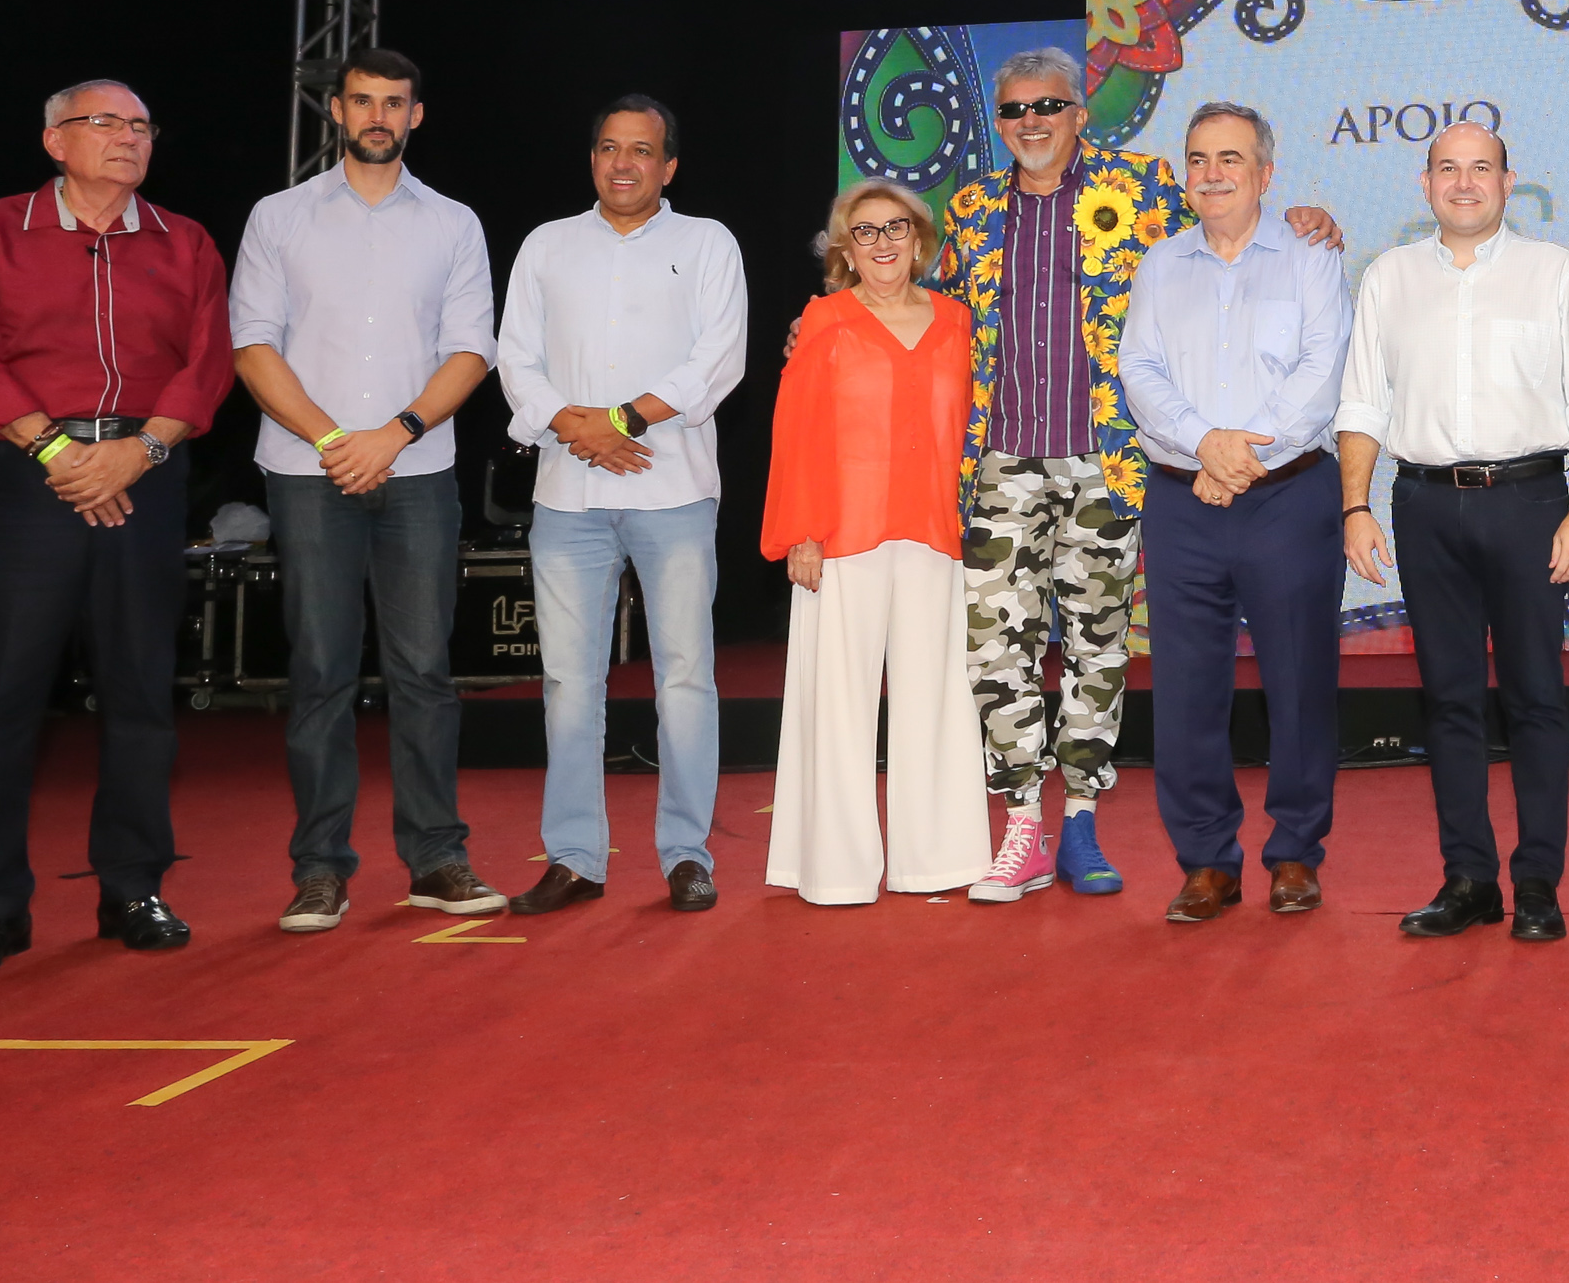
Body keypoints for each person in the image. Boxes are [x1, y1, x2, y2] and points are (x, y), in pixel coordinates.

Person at [936, 49, 1340, 905]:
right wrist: (824, 323)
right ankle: (1061, 835)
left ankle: (1096, 826)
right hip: (1019, 468)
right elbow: (934, 312)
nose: (1031, 121)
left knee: (1109, 655)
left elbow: (1308, 354)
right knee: (1019, 662)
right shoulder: (969, 209)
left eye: (1049, 104)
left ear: (1082, 113)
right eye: (1013, 110)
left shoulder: (1149, 190)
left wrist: (1233, 454)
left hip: (1119, 472)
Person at [0, 82, 233, 979]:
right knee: (0, 701)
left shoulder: (187, 241)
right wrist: (62, 454)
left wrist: (137, 452)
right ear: (55, 140)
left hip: (143, 477)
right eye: (108, 124)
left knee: (140, 694)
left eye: (141, 127)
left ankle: (133, 888)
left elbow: (207, 360)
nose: (130, 139)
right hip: (26, 484)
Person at [230, 49, 504, 934]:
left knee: (425, 672)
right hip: (308, 474)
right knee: (319, 673)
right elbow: (252, 346)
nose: (378, 115)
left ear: (416, 115)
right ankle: (320, 870)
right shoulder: (279, 218)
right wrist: (335, 441)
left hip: (420, 473)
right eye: (362, 101)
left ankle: (436, 860)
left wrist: (397, 434)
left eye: (394, 102)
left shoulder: (455, 224)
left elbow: (471, 349)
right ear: (338, 112)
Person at [1336, 122, 1569, 943]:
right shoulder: (1388, 279)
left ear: (1508, 180)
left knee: (1535, 698)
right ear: (1425, 183)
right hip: (1424, 508)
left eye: (1481, 169)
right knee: (1450, 701)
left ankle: (1537, 883)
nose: (1465, 184)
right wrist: (1356, 507)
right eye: (1448, 170)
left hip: (1533, 503)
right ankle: (1468, 879)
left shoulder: (1553, 271)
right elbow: (1362, 405)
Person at [496, 96, 748, 916]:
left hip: (673, 488)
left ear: (669, 166)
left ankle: (686, 854)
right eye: (608, 148)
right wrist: (575, 425)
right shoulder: (546, 245)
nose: (623, 163)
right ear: (593, 159)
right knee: (569, 682)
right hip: (567, 495)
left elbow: (718, 361)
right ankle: (574, 857)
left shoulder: (707, 243)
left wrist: (622, 419)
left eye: (641, 150)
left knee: (684, 679)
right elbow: (514, 359)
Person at [1118, 104, 1351, 923]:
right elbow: (1139, 370)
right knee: (1185, 690)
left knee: (1299, 681)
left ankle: (1295, 852)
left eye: (1230, 158)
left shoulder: (1312, 257)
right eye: (1198, 159)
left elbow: (1324, 369)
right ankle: (1206, 861)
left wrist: (1237, 459)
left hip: (1289, 497)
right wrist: (1204, 444)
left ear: (1265, 173)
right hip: (1183, 503)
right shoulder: (1158, 265)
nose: (1212, 173)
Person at [760, 181, 986, 904]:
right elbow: (793, 436)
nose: (883, 242)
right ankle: (834, 869)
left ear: (920, 241)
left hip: (934, 535)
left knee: (942, 700)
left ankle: (939, 859)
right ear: (844, 250)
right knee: (836, 705)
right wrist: (801, 531)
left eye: (896, 228)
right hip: (842, 535)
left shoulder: (959, 322)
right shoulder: (822, 321)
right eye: (865, 232)